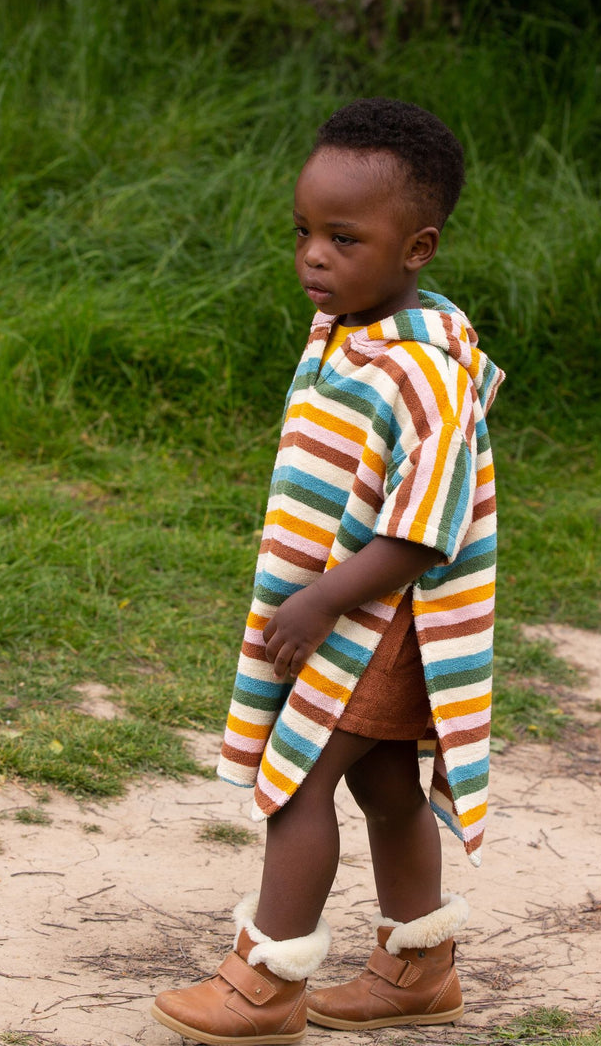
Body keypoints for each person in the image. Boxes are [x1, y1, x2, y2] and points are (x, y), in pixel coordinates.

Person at [151, 97, 504, 1045]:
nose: (314, 255)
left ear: (417, 247)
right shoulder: (347, 331)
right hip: (359, 613)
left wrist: (316, 600)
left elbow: (424, 530)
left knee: (295, 782)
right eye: (303, 232)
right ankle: (418, 969)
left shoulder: (424, 373)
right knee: (385, 786)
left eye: (345, 238)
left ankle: (266, 983)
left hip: (385, 620)